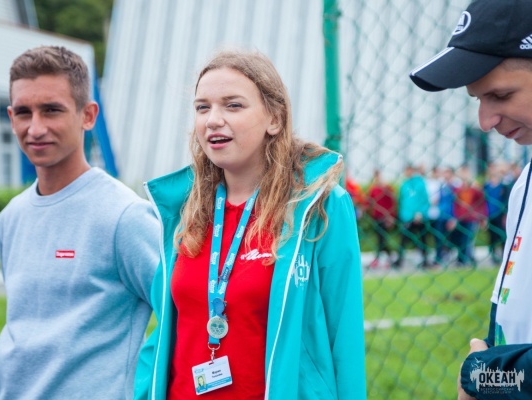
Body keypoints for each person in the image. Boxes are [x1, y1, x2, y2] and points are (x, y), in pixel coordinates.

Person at [134, 49, 366, 399]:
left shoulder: (319, 205)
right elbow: (166, 333)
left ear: (274, 119)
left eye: (233, 105)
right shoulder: (182, 210)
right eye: (202, 107)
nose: (213, 120)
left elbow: (344, 338)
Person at [0, 46, 159, 399]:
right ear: (11, 117)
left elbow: (185, 319)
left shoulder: (125, 216)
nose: (35, 128)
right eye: (23, 112)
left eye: (51, 110)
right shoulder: (10, 218)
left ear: (88, 115)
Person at [410, 0, 532, 398]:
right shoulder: (525, 183)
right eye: (478, 99)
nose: (485, 121)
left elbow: (496, 374)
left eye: (501, 94)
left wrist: (486, 376)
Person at [394, 164, 431, 268]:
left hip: (419, 216)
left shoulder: (420, 183)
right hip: (407, 217)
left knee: (423, 239)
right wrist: (403, 215)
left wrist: (420, 212)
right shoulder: (404, 185)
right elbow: (402, 201)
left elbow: (425, 200)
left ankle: (425, 260)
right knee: (403, 239)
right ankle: (399, 260)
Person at [366, 169, 397, 269]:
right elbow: (369, 202)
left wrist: (391, 217)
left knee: (382, 239)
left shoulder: (387, 188)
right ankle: (388, 257)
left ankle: (379, 258)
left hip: (385, 217)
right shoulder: (373, 189)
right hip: (377, 217)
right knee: (381, 239)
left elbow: (392, 203)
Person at [484, 163, 509, 264]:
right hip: (489, 214)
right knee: (492, 237)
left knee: (502, 236)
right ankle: (493, 256)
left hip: (500, 214)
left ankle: (504, 256)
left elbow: (506, 201)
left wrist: (505, 215)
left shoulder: (504, 186)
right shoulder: (486, 186)